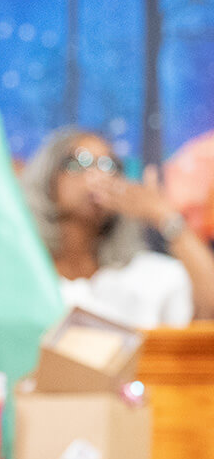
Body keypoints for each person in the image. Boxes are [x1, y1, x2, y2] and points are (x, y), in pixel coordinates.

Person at [21, 128, 214, 328]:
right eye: (80, 162)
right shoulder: (22, 273)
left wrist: (165, 216)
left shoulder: (144, 275)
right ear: (47, 178)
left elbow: (209, 309)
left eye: (108, 165)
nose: (96, 175)